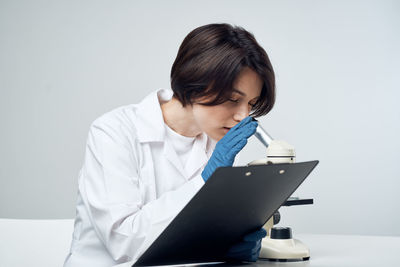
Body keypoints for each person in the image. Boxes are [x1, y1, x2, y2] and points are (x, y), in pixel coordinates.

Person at [64, 23, 275, 267]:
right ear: (195, 82)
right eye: (233, 99)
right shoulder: (113, 132)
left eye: (251, 103)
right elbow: (123, 242)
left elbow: (190, 237)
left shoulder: (215, 142)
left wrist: (228, 245)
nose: (242, 115)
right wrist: (205, 181)